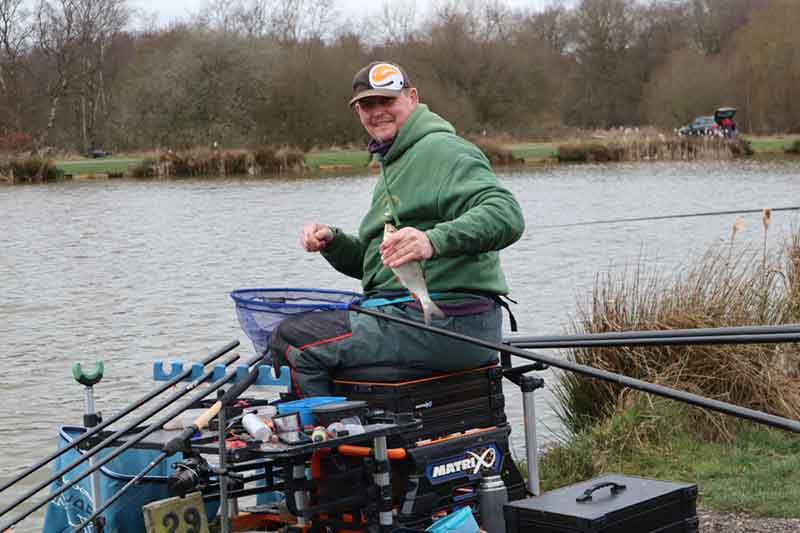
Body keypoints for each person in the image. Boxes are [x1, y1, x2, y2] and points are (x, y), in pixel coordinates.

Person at [270, 61, 525, 396]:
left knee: (294, 340)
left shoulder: (444, 150)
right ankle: (350, 434)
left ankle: (327, 441)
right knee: (304, 333)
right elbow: (378, 264)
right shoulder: (394, 161)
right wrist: (332, 241)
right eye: (367, 105)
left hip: (453, 323)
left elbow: (506, 214)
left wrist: (432, 241)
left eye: (386, 101)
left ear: (413, 97)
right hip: (411, 316)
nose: (377, 112)